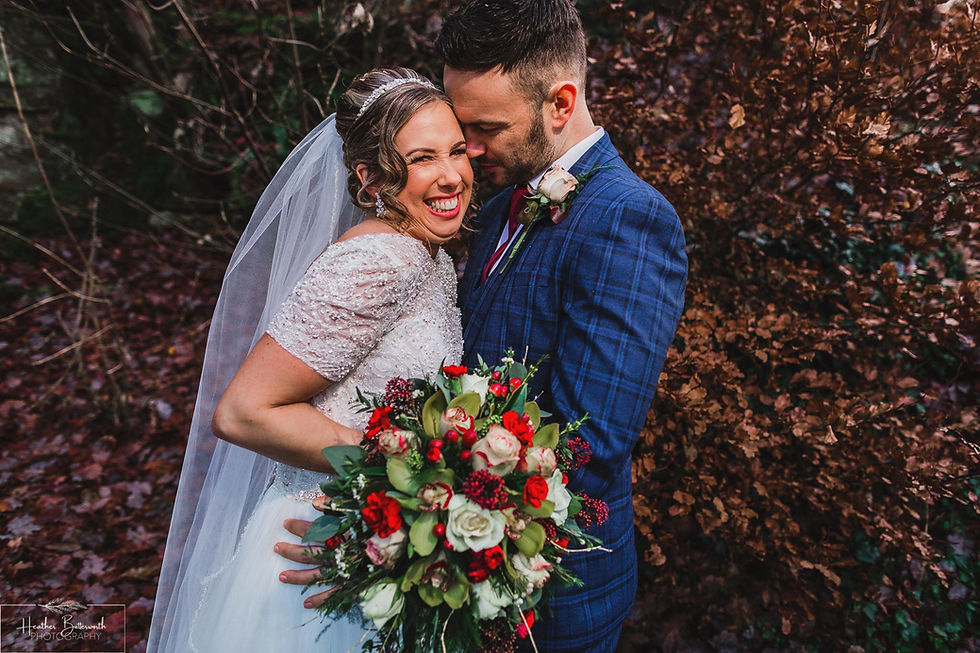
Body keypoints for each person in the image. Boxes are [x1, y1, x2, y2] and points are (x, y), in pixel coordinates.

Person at [278, 1, 686, 649]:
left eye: (486, 127)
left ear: (560, 103)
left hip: (548, 598)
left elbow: (589, 444)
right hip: (450, 583)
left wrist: (386, 531)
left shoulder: (628, 219)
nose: (466, 150)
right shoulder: (497, 205)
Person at [146, 67, 472, 652]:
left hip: (378, 539)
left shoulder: (429, 255)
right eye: (423, 158)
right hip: (321, 544)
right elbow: (245, 412)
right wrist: (406, 475)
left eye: (457, 151)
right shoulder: (380, 262)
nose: (452, 175)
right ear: (369, 178)